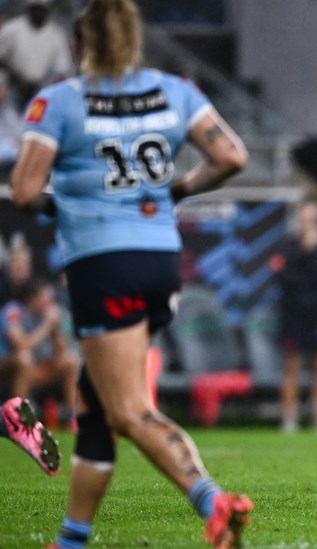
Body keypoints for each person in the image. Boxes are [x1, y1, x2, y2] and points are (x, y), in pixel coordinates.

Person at [10, 1, 253, 547]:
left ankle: (216, 504)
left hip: (104, 263)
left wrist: (64, 204)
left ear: (77, 47)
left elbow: (25, 192)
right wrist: (180, 189)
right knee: (95, 406)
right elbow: (232, 155)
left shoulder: (60, 101)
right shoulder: (174, 89)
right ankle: (72, 538)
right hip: (160, 262)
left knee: (127, 409)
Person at [276, 201, 317, 432]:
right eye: (303, 219)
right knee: (291, 368)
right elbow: (285, 281)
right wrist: (304, 254)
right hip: (293, 318)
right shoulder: (289, 248)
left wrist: (313, 253)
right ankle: (289, 419)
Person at [0, 277, 79, 426]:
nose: (50, 304)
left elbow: (62, 351)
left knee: (70, 360)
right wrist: (46, 326)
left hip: (34, 367)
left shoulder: (45, 317)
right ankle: (19, 416)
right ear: (33, 299)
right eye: (46, 299)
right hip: (7, 366)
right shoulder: (14, 311)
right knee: (24, 358)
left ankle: (72, 416)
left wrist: (55, 329)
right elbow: (21, 345)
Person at [0, 0, 73, 110]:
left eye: (43, 9)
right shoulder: (11, 29)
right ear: (30, 8)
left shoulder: (56, 34)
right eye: (37, 9)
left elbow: (63, 67)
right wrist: (15, 77)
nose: (40, 13)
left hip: (41, 90)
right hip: (11, 88)